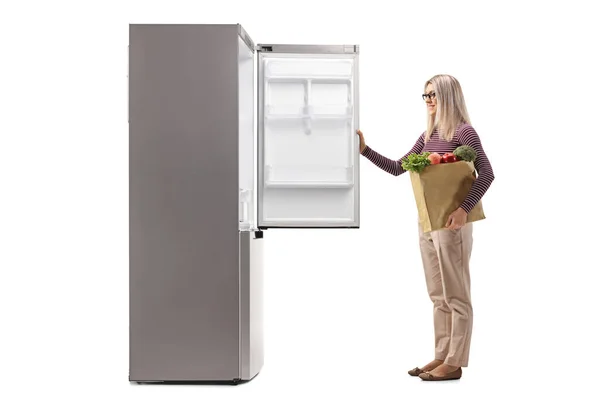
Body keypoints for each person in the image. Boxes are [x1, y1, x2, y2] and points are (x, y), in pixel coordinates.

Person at [357, 74, 495, 381]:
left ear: (448, 96)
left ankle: (455, 362)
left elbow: (486, 172)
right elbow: (397, 168)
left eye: (433, 94)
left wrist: (463, 210)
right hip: (428, 222)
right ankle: (441, 355)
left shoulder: (464, 132)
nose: (428, 100)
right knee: (437, 294)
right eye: (425, 95)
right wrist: (365, 149)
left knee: (456, 295)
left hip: (451, 223)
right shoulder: (427, 135)